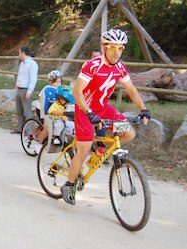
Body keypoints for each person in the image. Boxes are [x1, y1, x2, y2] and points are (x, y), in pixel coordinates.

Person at [60, 28, 151, 205]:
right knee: (84, 149)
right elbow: (77, 91)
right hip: (84, 109)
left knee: (129, 133)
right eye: (113, 47)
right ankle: (69, 184)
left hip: (103, 109)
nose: (117, 52)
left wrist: (144, 109)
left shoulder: (120, 68)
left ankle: (101, 148)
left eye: (121, 48)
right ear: (105, 47)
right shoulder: (93, 65)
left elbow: (131, 90)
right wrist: (88, 113)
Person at [34, 70, 63, 154]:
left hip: (54, 110)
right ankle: (39, 144)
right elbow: (41, 99)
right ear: (51, 82)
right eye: (56, 82)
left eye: (59, 81)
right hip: (42, 109)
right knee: (47, 128)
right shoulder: (46, 89)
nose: (58, 84)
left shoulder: (60, 89)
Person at [12, 47, 38, 134]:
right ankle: (20, 128)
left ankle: (29, 130)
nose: (19, 55)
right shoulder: (22, 64)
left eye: (19, 53)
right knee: (19, 110)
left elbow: (33, 78)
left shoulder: (32, 64)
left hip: (26, 89)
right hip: (20, 88)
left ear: (23, 53)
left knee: (27, 111)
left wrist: (30, 91)